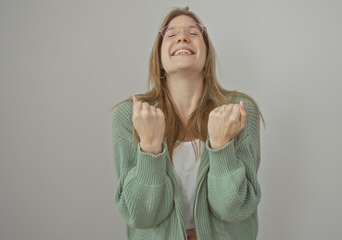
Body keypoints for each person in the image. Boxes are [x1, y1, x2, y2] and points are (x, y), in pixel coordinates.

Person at [109, 6, 265, 240]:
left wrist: (222, 146)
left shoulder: (239, 111)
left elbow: (233, 208)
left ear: (206, 56)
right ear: (159, 60)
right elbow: (140, 215)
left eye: (193, 32)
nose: (182, 36)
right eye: (170, 34)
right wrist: (149, 148)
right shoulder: (131, 116)